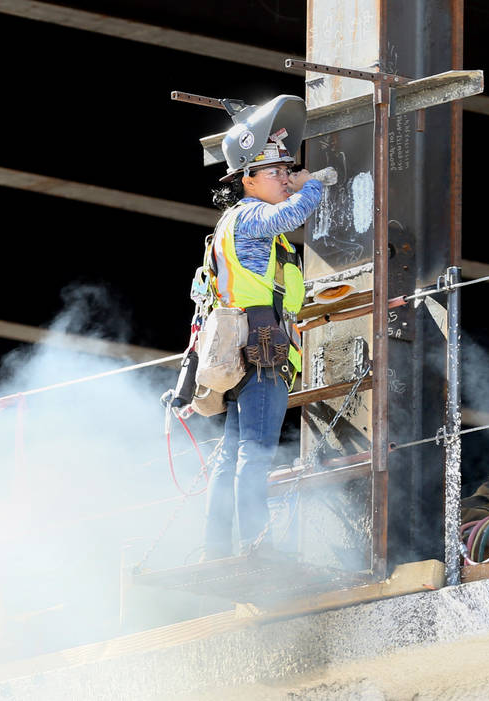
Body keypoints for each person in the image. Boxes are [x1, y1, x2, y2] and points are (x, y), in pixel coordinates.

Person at [201, 131, 323, 561]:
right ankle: (256, 545)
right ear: (248, 180)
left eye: (288, 172)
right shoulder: (251, 216)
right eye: (276, 172)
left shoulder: (232, 222)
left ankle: (216, 547)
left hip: (242, 349)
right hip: (262, 348)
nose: (286, 180)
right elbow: (293, 213)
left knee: (233, 451)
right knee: (255, 452)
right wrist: (314, 184)